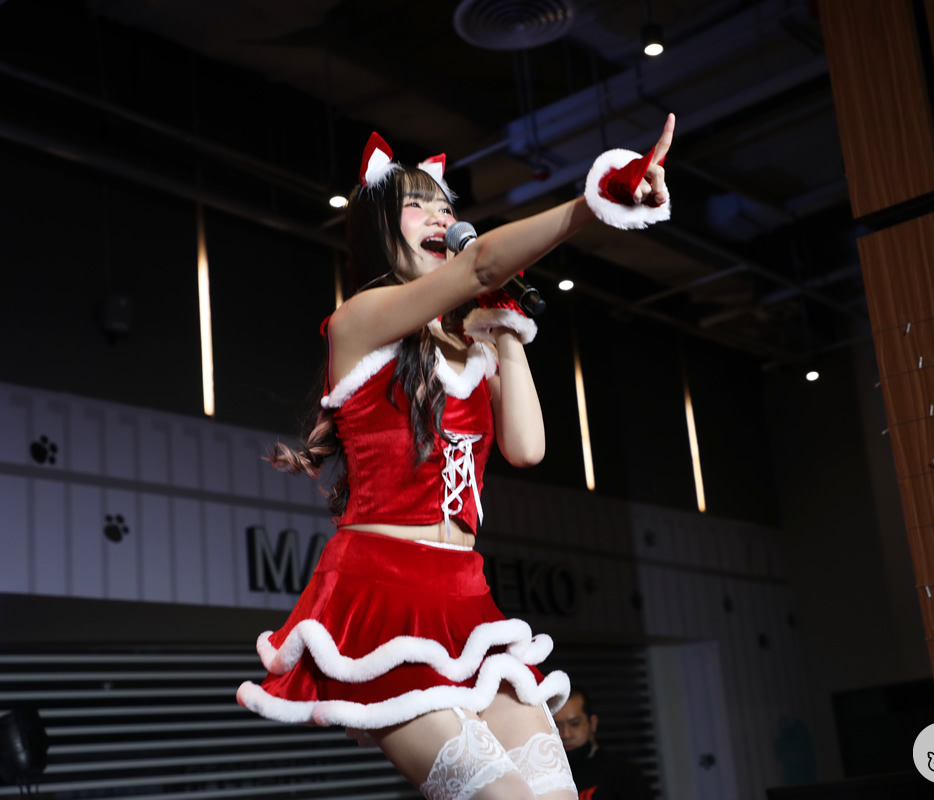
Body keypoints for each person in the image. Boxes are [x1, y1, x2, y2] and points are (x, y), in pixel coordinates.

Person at [236, 114, 675, 800]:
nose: (441, 217)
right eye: (418, 206)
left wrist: (507, 330)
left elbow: (527, 448)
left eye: (446, 206)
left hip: (467, 598)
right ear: (380, 229)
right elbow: (481, 262)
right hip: (381, 597)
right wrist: (594, 203)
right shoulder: (359, 321)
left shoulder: (472, 346)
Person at [554, 687, 655, 800]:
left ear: (592, 723)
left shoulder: (623, 774)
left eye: (575, 724)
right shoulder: (548, 776)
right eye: (557, 726)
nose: (566, 734)